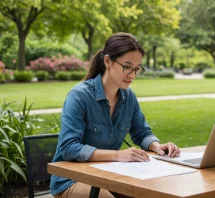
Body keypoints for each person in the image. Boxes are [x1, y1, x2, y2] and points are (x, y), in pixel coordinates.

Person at [50, 32, 181, 198]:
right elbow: (69, 148)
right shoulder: (79, 96)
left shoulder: (129, 97)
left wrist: (157, 146)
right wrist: (118, 155)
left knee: (159, 192)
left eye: (136, 69)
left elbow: (142, 133)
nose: (132, 75)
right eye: (127, 67)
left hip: (111, 178)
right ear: (107, 61)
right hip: (71, 181)